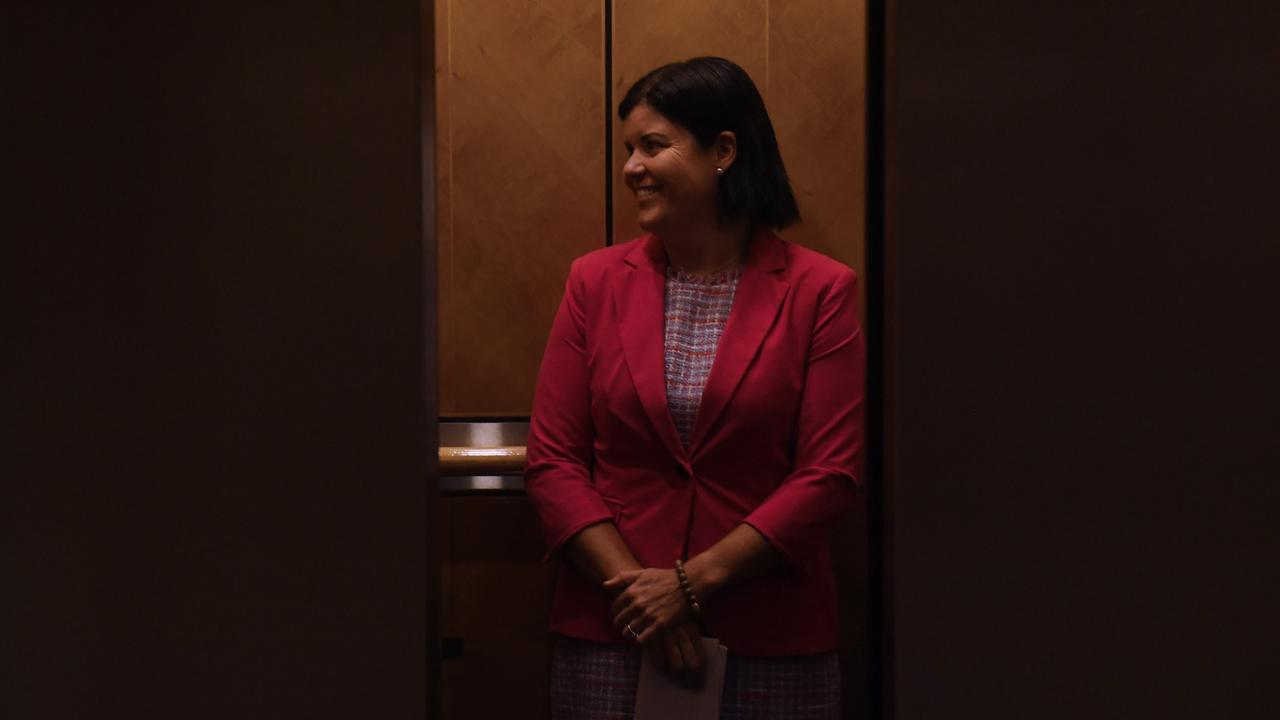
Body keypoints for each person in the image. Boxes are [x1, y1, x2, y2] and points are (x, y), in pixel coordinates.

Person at [525, 56, 865, 719]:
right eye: (629, 149)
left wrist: (689, 585)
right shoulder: (593, 282)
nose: (631, 167)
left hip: (770, 633)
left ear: (724, 151)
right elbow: (554, 462)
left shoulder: (820, 291)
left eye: (653, 145)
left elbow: (829, 474)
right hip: (614, 630)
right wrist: (642, 598)